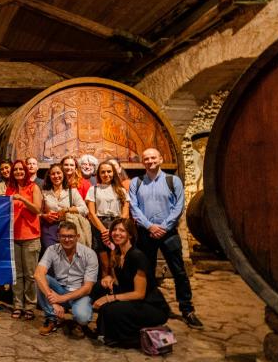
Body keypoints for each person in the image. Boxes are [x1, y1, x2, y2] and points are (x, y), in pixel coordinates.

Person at [129, 147, 204, 329]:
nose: (150, 161)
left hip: (168, 233)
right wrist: (149, 226)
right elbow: (134, 208)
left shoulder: (173, 181)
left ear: (160, 159)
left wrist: (163, 226)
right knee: (146, 270)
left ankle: (187, 309)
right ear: (142, 162)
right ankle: (150, 304)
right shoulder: (136, 183)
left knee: (178, 271)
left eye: (153, 157)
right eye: (146, 158)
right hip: (146, 233)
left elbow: (179, 206)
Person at [93, 218, 170, 347]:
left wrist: (109, 298)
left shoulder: (137, 256)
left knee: (109, 309)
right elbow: (120, 280)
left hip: (151, 305)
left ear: (130, 234)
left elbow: (139, 293)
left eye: (122, 230)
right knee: (98, 287)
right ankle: (109, 333)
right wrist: (109, 279)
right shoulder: (117, 253)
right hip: (134, 298)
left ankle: (137, 338)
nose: (117, 233)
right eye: (115, 230)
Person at [35, 221, 98, 338]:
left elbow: (88, 288)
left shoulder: (89, 254)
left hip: (79, 293)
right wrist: (53, 300)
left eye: (70, 236)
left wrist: (61, 298)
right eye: (63, 236)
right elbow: (38, 274)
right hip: (59, 288)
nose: (67, 240)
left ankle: (76, 322)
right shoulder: (52, 249)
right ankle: (51, 318)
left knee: (83, 318)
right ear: (58, 237)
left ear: (77, 237)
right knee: (41, 278)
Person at [5, 159, 42, 320]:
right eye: (16, 170)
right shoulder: (10, 189)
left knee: (30, 275)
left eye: (21, 169)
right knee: (17, 274)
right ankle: (18, 305)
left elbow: (37, 209)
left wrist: (23, 199)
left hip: (31, 236)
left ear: (26, 171)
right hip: (14, 236)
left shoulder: (33, 187)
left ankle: (30, 305)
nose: (19, 172)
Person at [86, 161, 129, 279]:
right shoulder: (93, 189)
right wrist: (104, 231)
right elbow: (91, 213)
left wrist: (115, 230)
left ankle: (118, 292)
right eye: (103, 172)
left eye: (109, 171)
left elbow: (125, 213)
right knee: (104, 265)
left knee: (115, 262)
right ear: (98, 174)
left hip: (117, 226)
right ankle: (106, 293)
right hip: (99, 226)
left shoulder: (121, 190)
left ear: (113, 173)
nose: (106, 174)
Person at [39, 163, 88, 253]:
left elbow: (84, 209)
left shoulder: (72, 191)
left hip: (68, 228)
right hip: (50, 229)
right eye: (53, 174)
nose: (56, 176)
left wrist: (67, 210)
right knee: (52, 255)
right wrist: (44, 216)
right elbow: (38, 212)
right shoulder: (44, 192)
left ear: (63, 174)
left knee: (68, 256)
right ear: (49, 176)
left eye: (58, 173)